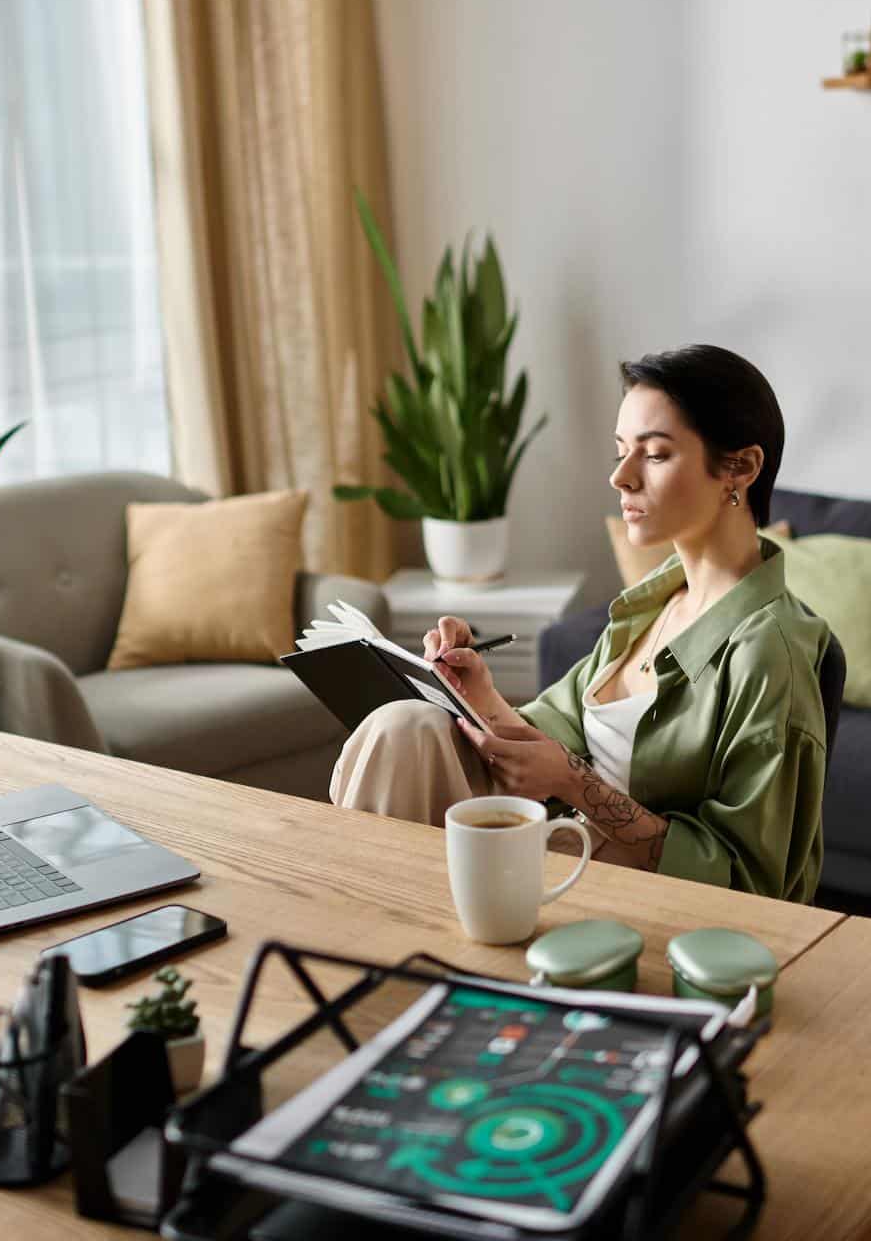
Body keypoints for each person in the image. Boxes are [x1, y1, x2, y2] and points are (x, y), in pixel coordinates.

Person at [329, 344, 831, 902]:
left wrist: (575, 784)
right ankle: (365, 919)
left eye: (655, 455)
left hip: (639, 896)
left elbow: (748, 883)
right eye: (621, 452)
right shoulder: (652, 605)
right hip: (563, 843)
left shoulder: (768, 653)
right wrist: (479, 693)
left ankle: (370, 921)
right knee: (407, 726)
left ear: (741, 467)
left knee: (409, 751)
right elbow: (551, 739)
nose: (621, 477)